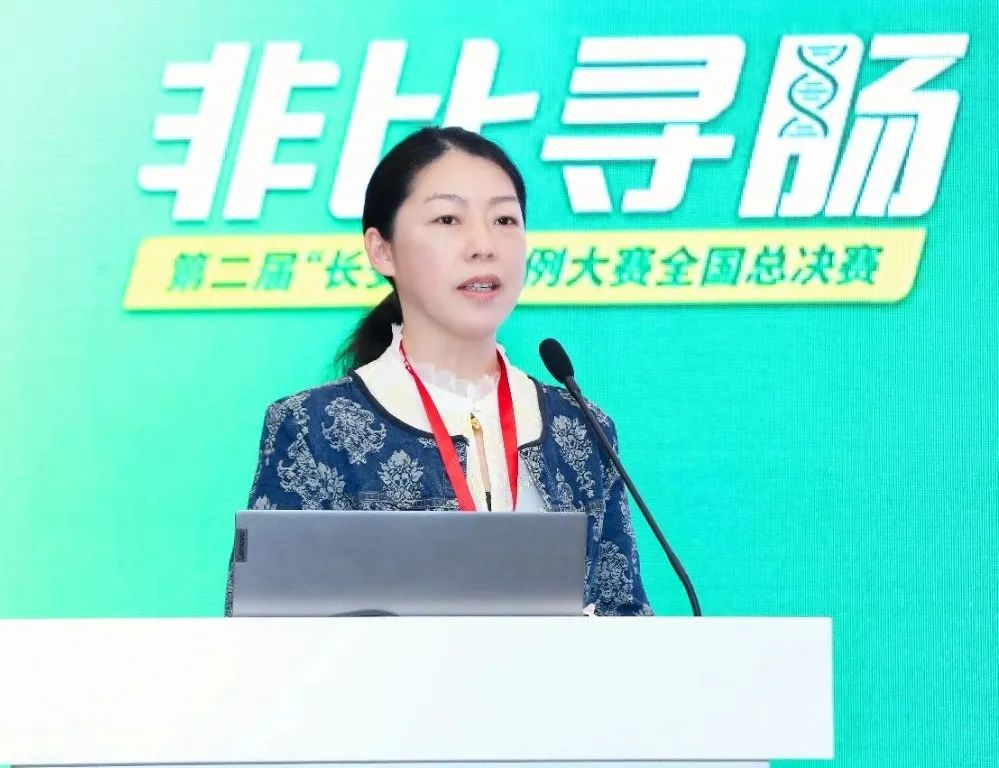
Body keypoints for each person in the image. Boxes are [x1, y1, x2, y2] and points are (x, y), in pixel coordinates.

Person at [225, 126, 651, 616]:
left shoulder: (582, 428)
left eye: (504, 220)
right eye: (448, 219)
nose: (483, 245)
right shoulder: (313, 426)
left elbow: (627, 622)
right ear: (382, 250)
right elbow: (262, 631)